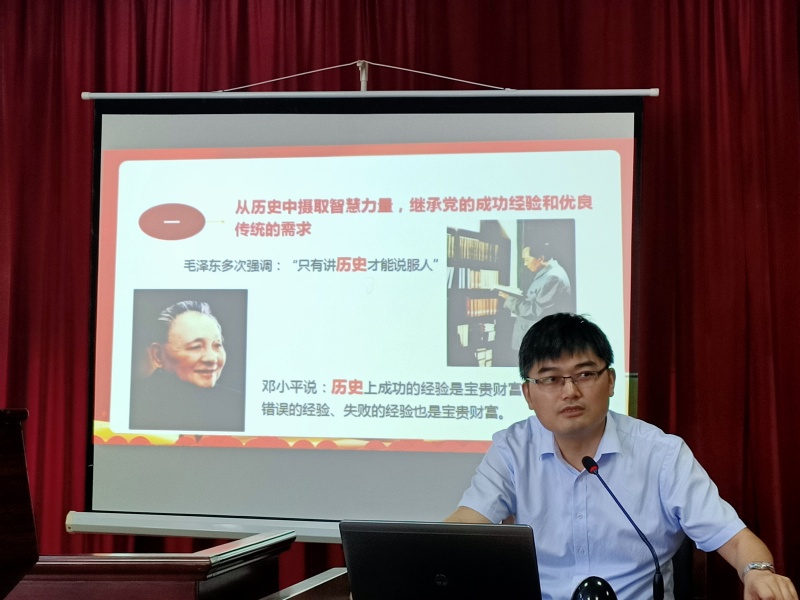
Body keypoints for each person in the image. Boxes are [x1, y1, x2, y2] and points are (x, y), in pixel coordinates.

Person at [445, 313, 797, 600]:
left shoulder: (661, 453)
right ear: (528, 393)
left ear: (611, 380)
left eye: (585, 374)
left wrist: (758, 572)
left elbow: (734, 537)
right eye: (551, 379)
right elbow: (465, 526)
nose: (570, 391)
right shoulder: (512, 449)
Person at [129, 300, 245, 431]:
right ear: (158, 355)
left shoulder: (237, 404)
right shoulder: (134, 404)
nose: (212, 358)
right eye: (196, 347)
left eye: (217, 345)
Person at [498, 241, 572, 352]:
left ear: (541, 258)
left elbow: (537, 311)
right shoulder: (550, 273)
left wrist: (510, 300)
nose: (525, 264)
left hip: (537, 339)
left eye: (527, 260)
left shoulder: (552, 277)